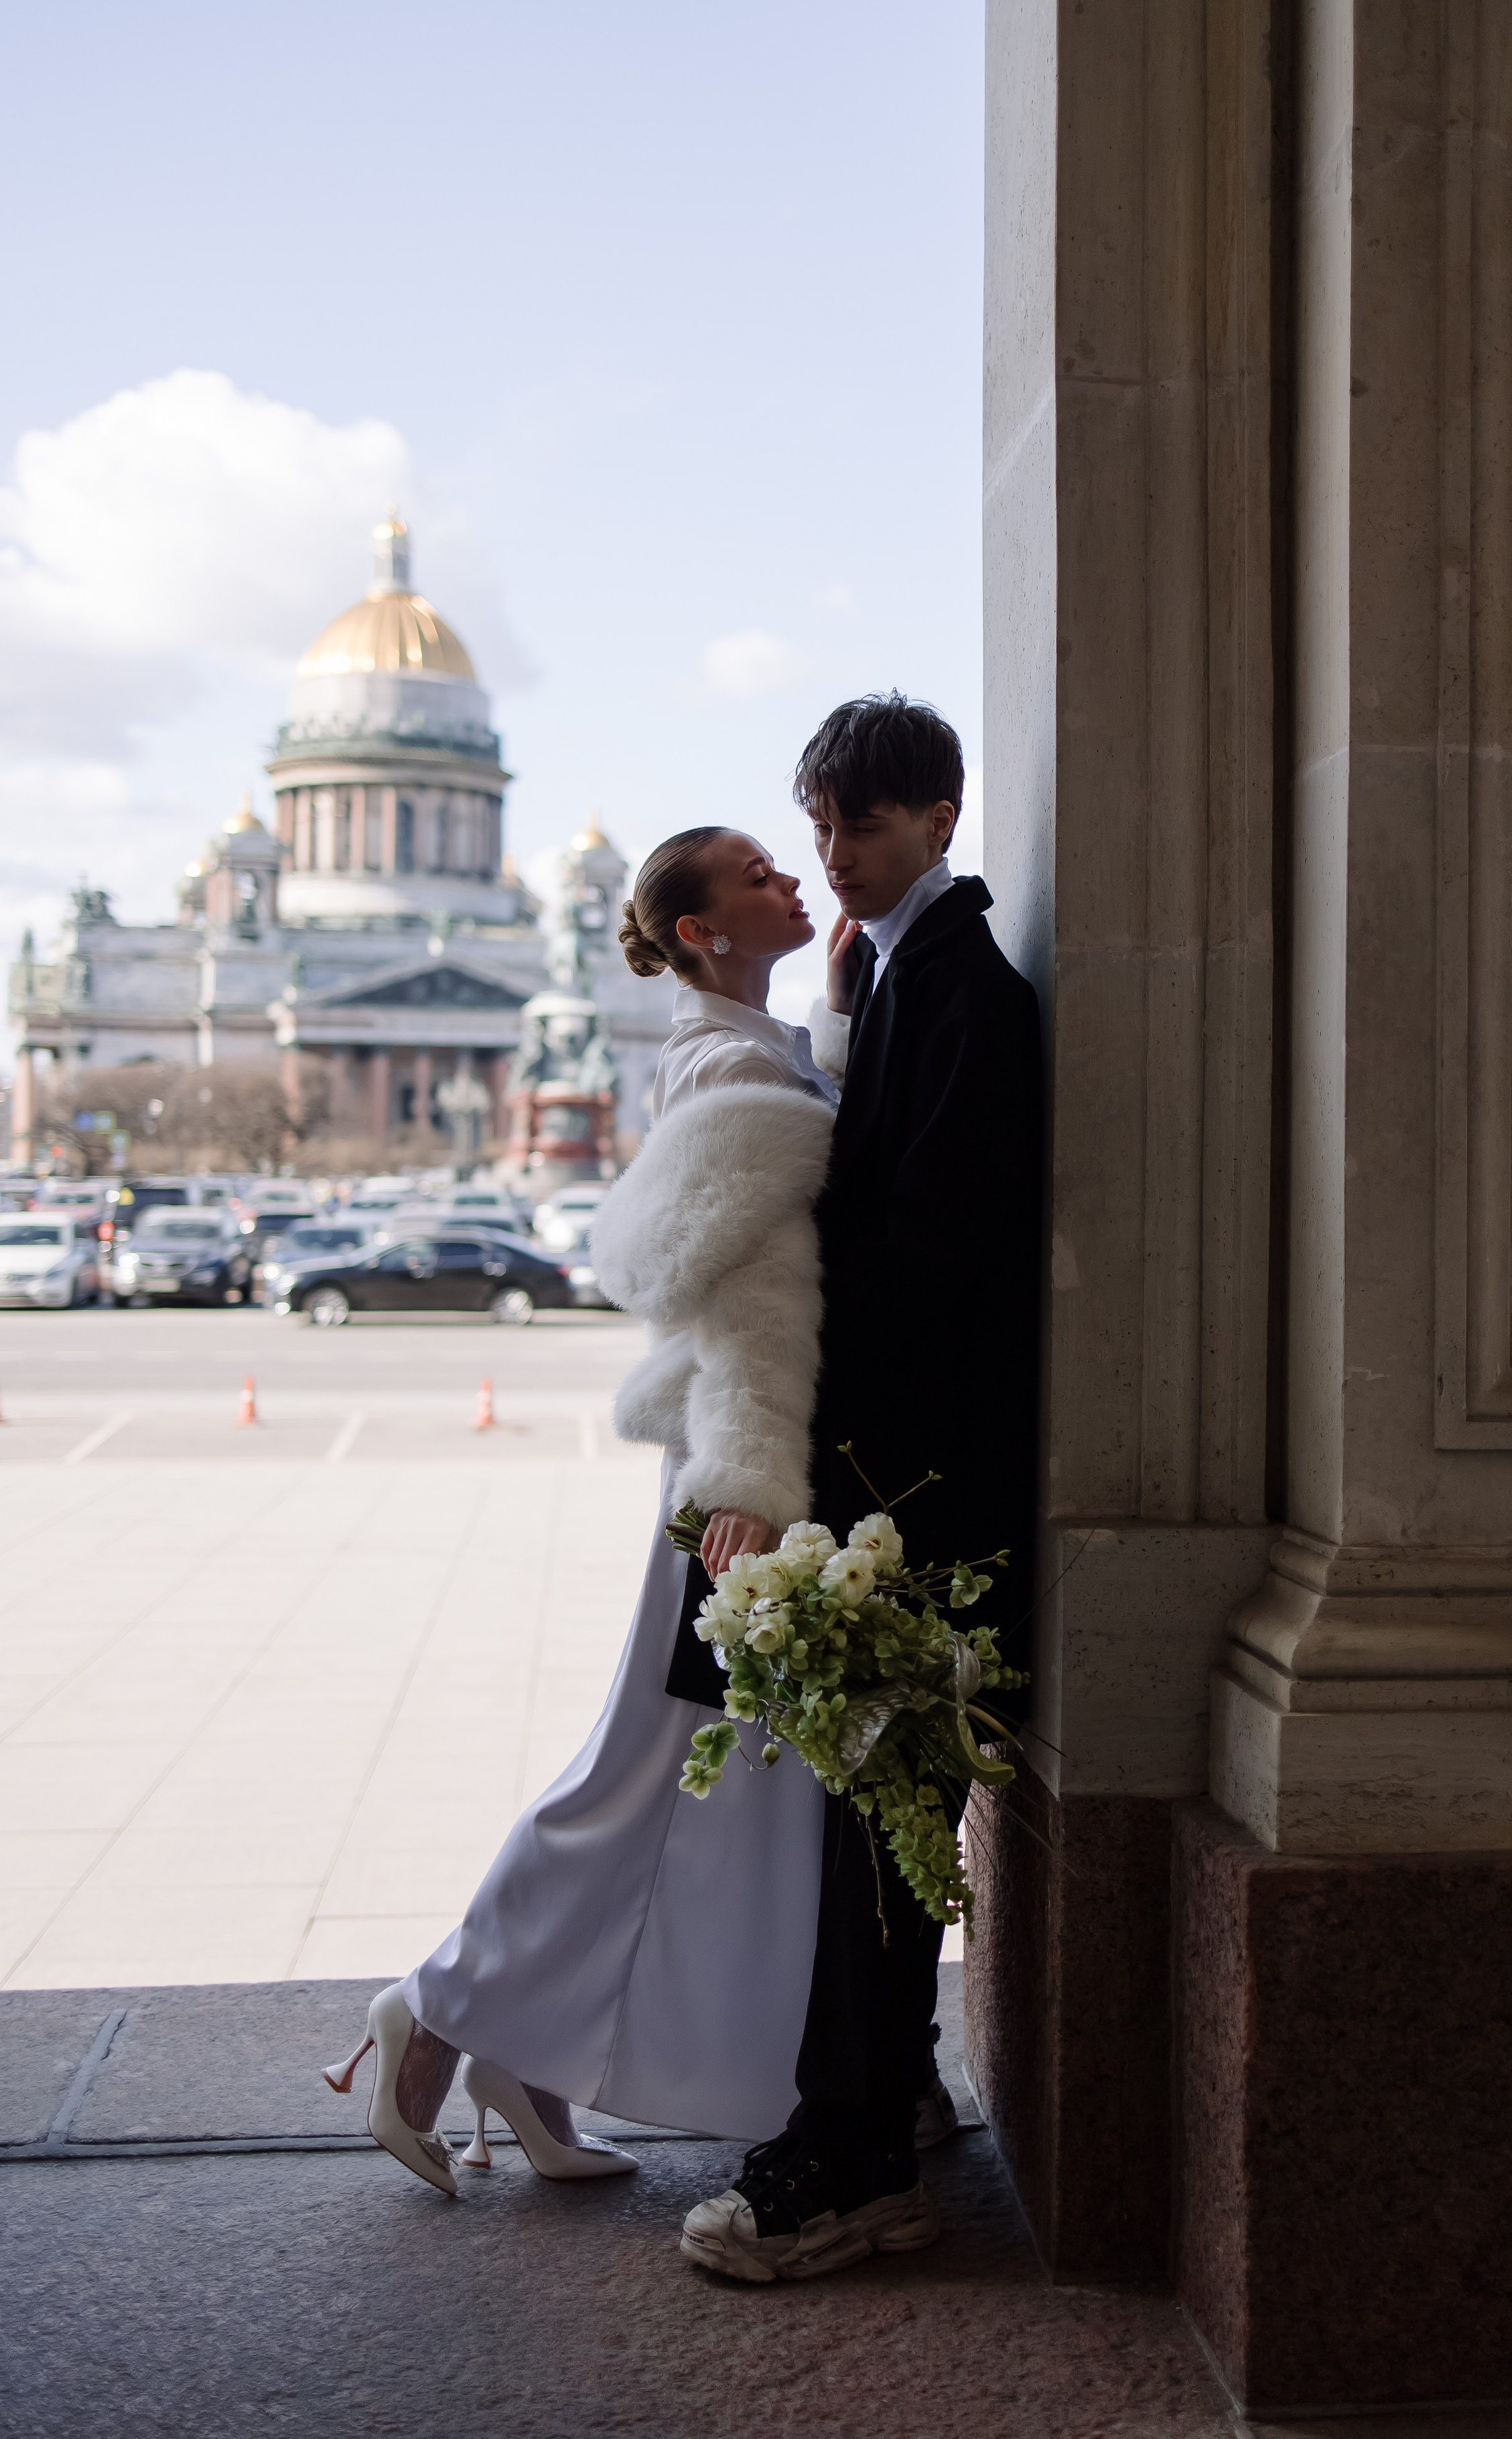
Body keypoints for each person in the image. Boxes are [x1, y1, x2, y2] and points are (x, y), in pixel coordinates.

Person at [319, 827, 842, 2196]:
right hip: (741, 1473)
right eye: (755, 876)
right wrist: (744, 1494)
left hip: (737, 1463)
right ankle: (434, 2018)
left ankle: (528, 2062)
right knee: (645, 1772)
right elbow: (756, 1310)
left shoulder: (745, 1040)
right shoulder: (732, 1062)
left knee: (670, 1774)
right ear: (694, 931)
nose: (792, 882)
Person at [681, 694, 1044, 2284]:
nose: (833, 852)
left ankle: (853, 2156)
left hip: (921, 1489)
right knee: (869, 1821)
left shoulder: (965, 992)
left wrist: (777, 1255)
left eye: (865, 825)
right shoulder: (898, 976)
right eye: (819, 822)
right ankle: (871, 2106)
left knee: (881, 1821)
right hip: (893, 1479)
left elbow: (929, 1263)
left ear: (940, 820)